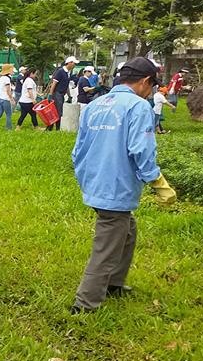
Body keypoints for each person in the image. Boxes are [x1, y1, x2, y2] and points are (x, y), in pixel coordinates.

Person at [71, 57, 177, 313]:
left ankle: (114, 283)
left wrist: (87, 175)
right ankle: (85, 304)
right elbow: (141, 150)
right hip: (115, 186)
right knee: (108, 244)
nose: (151, 91)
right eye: (152, 86)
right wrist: (158, 183)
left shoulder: (96, 104)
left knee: (127, 231)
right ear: (144, 81)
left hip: (95, 181)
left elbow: (78, 150)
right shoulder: (138, 107)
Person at [46, 56, 77, 131]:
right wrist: (50, 94)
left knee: (58, 112)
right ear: (69, 63)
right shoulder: (60, 71)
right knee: (57, 112)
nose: (74, 65)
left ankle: (53, 128)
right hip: (57, 94)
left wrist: (69, 95)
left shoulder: (68, 73)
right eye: (74, 63)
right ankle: (56, 129)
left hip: (61, 94)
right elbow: (54, 83)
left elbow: (66, 86)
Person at [0, 63, 16, 131]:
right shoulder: (7, 79)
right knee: (8, 115)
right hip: (6, 99)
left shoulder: (2, 78)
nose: (13, 71)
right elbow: (8, 90)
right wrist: (12, 99)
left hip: (0, 98)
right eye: (12, 69)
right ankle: (9, 128)